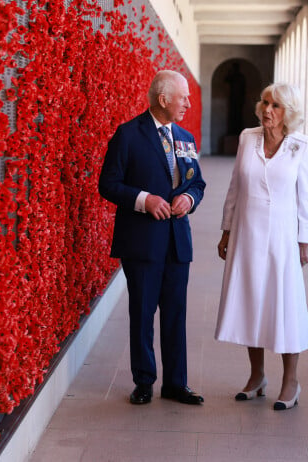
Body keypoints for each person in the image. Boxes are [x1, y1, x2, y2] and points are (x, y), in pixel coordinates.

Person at [98, 70, 206, 405]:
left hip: (177, 242)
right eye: (183, 97)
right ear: (163, 99)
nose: (188, 103)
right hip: (142, 242)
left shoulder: (186, 137)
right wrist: (145, 200)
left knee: (176, 314)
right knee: (142, 314)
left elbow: (197, 184)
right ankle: (144, 381)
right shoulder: (128, 135)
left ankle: (176, 383)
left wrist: (189, 199)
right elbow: (108, 184)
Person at [215, 83, 308, 411]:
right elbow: (234, 188)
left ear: (290, 112)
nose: (267, 109)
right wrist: (226, 230)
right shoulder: (247, 138)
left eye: (276, 105)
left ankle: (291, 380)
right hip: (247, 232)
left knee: (284, 304)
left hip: (282, 238)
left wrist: (303, 241)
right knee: (251, 300)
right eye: (265, 102)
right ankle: (257, 376)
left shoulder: (302, 145)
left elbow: (305, 199)